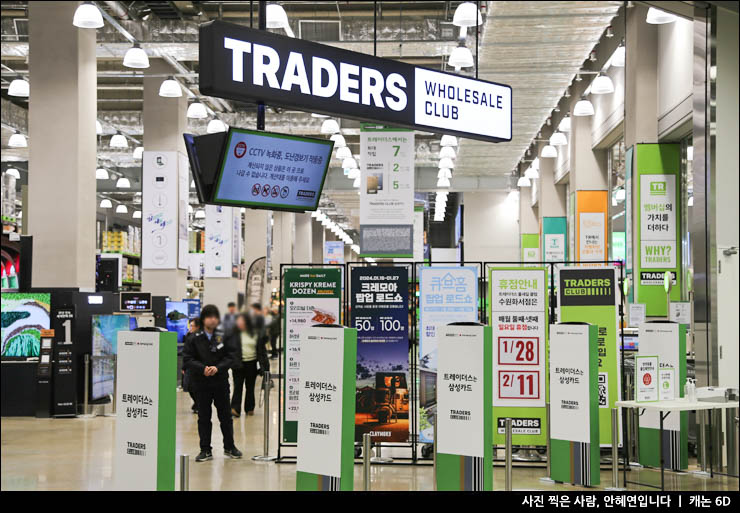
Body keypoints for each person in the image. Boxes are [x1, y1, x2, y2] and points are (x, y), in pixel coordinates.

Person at [182, 304, 242, 462]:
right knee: (203, 417)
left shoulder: (224, 336)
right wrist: (203, 369)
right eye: (209, 316)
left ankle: (230, 447)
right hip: (201, 384)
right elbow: (187, 359)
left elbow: (231, 356)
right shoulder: (194, 337)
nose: (213, 319)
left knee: (225, 416)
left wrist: (218, 368)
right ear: (203, 319)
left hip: (220, 382)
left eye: (215, 316)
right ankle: (205, 449)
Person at [229, 313, 270, 417]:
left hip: (252, 363)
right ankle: (235, 408)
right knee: (237, 386)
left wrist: (265, 367)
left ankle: (249, 408)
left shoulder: (255, 333)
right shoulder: (234, 334)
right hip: (238, 364)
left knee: (250, 387)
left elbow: (262, 349)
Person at [181, 317, 201, 413]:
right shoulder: (188, 336)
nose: (190, 328)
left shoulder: (201, 338)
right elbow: (186, 353)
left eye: (192, 326)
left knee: (196, 387)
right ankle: (197, 403)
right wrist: (183, 366)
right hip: (188, 365)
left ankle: (198, 404)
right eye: (190, 326)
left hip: (197, 366)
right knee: (188, 387)